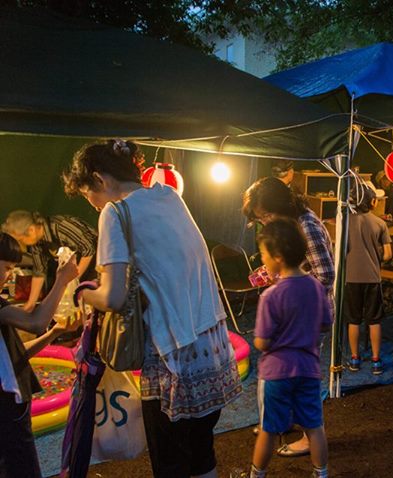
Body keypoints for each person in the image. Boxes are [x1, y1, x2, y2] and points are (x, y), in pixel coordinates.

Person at [64, 139, 242, 478]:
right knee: (202, 452)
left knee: (170, 462)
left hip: (172, 359)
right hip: (213, 348)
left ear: (100, 180)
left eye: (89, 194)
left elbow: (113, 298)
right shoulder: (170, 197)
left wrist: (82, 293)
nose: (93, 204)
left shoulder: (115, 212)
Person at [243, 177, 334, 457]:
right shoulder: (290, 225)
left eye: (267, 215)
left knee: (295, 375)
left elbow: (326, 274)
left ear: (280, 206)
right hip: (297, 314)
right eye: (261, 219)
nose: (265, 222)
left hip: (303, 317)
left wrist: (289, 292)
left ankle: (307, 436)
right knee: (293, 376)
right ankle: (279, 421)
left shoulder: (305, 226)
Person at [0, 232, 81, 477]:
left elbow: (16, 354)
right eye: (7, 267)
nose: (10, 275)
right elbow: (36, 321)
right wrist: (62, 280)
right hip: (7, 408)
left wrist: (54, 332)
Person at [2, 210, 97, 312]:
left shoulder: (61, 226)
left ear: (31, 230)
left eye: (20, 240)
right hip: (74, 277)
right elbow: (39, 271)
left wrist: (71, 280)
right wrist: (30, 304)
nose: (22, 244)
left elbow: (89, 249)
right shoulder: (37, 243)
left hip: (96, 270)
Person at [345, 184, 392, 375]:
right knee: (374, 321)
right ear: (373, 202)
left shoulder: (345, 222)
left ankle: (355, 359)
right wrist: (375, 254)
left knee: (353, 320)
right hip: (373, 277)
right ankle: (375, 360)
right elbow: (388, 254)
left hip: (351, 277)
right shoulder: (380, 223)